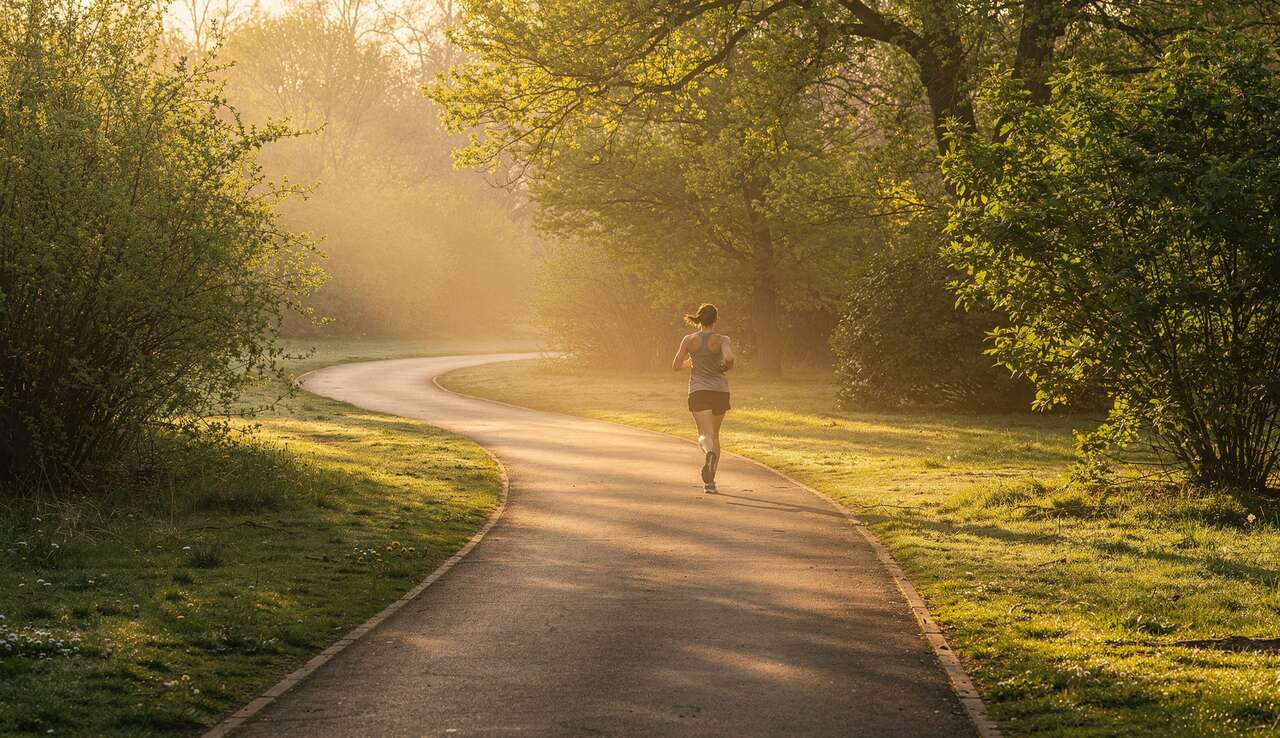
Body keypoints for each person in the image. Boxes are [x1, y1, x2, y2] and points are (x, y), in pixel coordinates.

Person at [671, 303, 734, 492]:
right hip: (720, 391)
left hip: (699, 390)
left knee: (704, 435)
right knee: (715, 435)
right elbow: (729, 359)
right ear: (716, 319)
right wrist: (725, 367)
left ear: (699, 319)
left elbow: (675, 365)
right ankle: (710, 482)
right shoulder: (722, 339)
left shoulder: (689, 340)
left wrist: (691, 363)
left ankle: (708, 454)